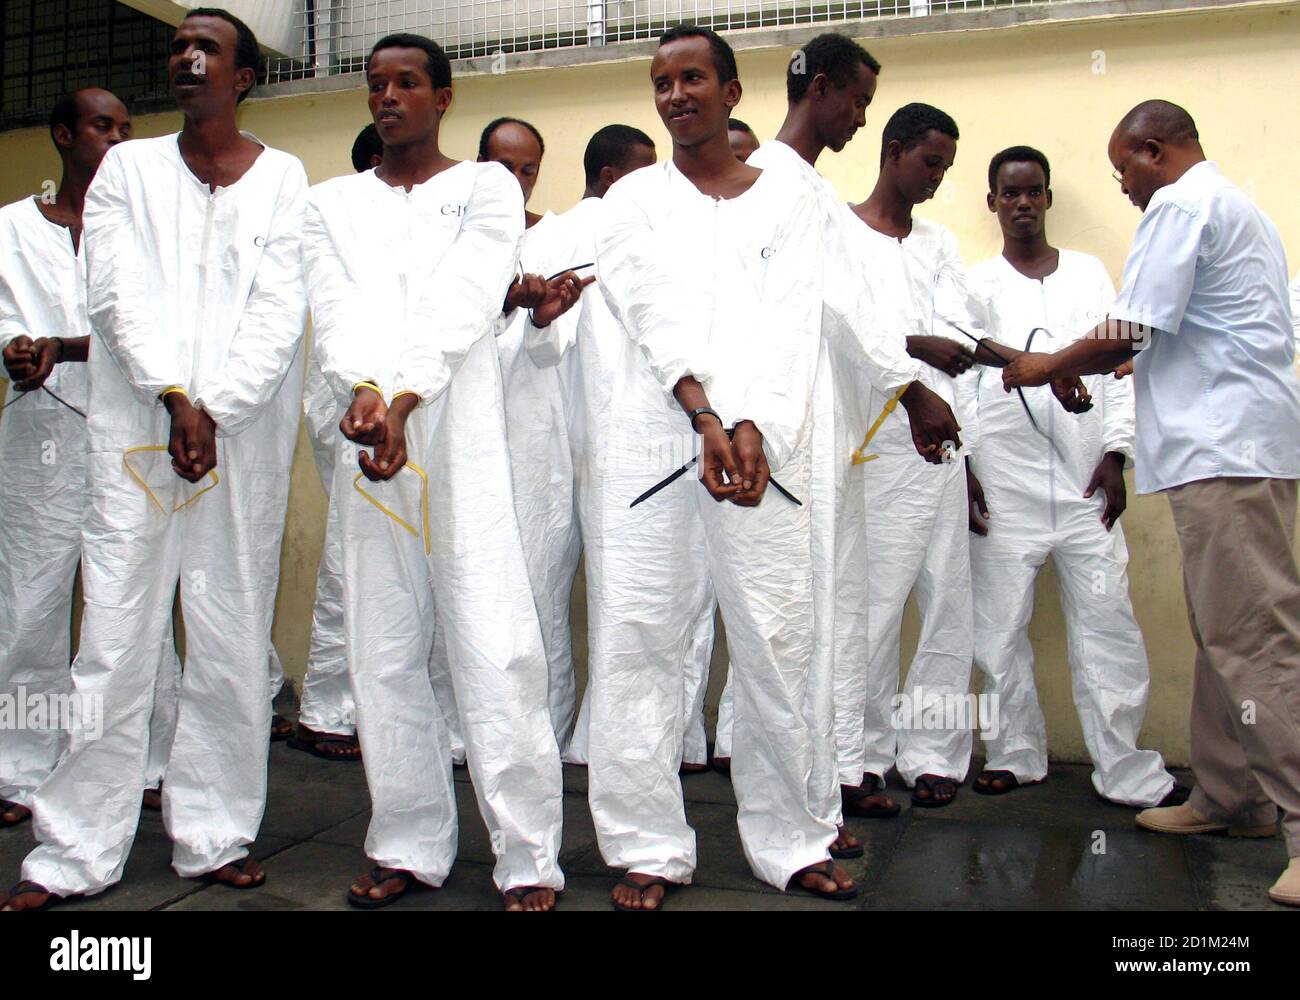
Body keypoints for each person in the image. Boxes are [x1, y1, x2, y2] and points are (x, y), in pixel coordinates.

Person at [591, 25, 957, 910]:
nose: (675, 96)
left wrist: (754, 423)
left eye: (692, 79)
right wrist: (703, 411)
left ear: (731, 93)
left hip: (765, 456)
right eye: (661, 82)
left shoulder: (790, 200)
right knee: (641, 645)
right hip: (657, 447)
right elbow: (648, 305)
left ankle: (792, 838)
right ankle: (647, 845)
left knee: (777, 647)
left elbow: (791, 320)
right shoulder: (634, 199)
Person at [2, 8, 308, 911]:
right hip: (137, 430)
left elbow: (280, 307)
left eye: (207, 48)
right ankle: (73, 849)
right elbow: (114, 295)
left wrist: (220, 408)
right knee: (115, 641)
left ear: (243, 77)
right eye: (179, 45)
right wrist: (175, 395)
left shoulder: (284, 178)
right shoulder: (129, 171)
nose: (186, 57)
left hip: (240, 443)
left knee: (228, 640)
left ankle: (215, 833)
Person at [1003, 100, 1300, 907]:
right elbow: (1204, 329)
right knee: (1222, 632)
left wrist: (1048, 365)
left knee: (1256, 641)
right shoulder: (1236, 207)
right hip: (1237, 451)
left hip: (1227, 456)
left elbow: (1132, 324)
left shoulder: (1182, 204)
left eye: (1123, 170)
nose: (1125, 188)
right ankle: (1232, 797)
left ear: (1154, 150)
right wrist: (1130, 361)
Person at [303, 32, 568, 912]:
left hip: (459, 444)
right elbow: (335, 308)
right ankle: (408, 843)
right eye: (376, 83)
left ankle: (527, 856)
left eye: (408, 82)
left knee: (496, 647)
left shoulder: (486, 187)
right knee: (383, 653)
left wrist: (404, 398)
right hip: (371, 440)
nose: (388, 96)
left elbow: (466, 299)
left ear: (444, 97)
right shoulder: (331, 203)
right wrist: (366, 390)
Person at [960, 145, 1180, 807]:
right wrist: (967, 468)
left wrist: (1116, 454)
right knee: (999, 628)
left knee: (1109, 624)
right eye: (1010, 193)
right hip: (1005, 483)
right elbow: (962, 381)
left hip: (1087, 482)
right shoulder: (976, 284)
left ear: (1048, 198)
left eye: (1034, 191)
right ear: (993, 202)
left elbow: (1117, 368)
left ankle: (1126, 769)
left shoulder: (1088, 274)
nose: (1023, 203)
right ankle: (1016, 753)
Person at [0, 88, 178, 826]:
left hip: (130, 431)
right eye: (104, 126)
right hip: (39, 435)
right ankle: (21, 766)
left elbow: (157, 329)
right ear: (63, 134)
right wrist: (14, 349)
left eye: (127, 129)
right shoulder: (10, 227)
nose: (117, 140)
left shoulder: (146, 230)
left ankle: (149, 760)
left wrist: (65, 347)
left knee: (133, 603)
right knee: (30, 603)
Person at [841, 103, 980, 810]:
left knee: (947, 600)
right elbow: (841, 331)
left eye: (946, 168)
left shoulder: (939, 243)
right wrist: (914, 345)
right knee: (872, 607)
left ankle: (934, 753)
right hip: (876, 449)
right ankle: (861, 755)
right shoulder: (840, 232)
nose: (936, 178)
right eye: (930, 163)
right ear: (893, 151)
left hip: (943, 446)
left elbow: (962, 337)